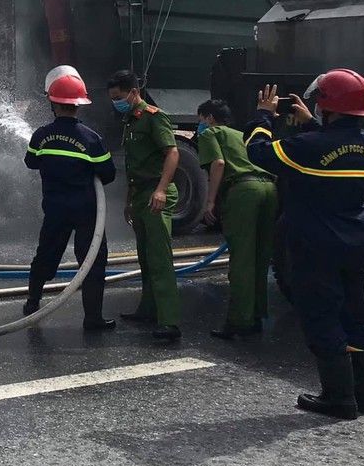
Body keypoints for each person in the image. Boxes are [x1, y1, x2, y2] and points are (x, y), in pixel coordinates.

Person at [244, 70, 364, 420]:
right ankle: (363, 397)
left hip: (316, 245)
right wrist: (312, 124)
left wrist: (264, 114)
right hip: (357, 242)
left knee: (322, 316)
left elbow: (257, 152)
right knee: (357, 315)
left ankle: (338, 398)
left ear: (327, 106)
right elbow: (331, 149)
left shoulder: (308, 146)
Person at [23, 68, 118, 330]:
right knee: (92, 262)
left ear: (53, 104)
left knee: (46, 255)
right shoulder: (91, 139)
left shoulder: (41, 135)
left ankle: (32, 301)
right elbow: (108, 174)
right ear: (79, 105)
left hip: (54, 208)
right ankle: (93, 318)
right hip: (87, 210)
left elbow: (31, 162)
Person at [107, 69, 181, 343]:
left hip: (155, 194)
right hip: (140, 195)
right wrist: (128, 201)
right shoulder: (130, 120)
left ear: (133, 92)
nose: (116, 102)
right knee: (146, 258)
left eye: (119, 97)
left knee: (160, 260)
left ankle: (169, 321)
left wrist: (161, 190)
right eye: (113, 98)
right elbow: (133, 166)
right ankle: (148, 309)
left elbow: (172, 152)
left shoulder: (153, 117)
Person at [196, 99, 277, 339]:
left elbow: (219, 163)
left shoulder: (211, 133)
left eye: (200, 119)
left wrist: (210, 202)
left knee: (242, 259)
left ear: (209, 118)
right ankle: (256, 317)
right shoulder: (242, 134)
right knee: (261, 257)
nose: (200, 124)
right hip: (269, 189)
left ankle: (238, 321)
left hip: (244, 192)